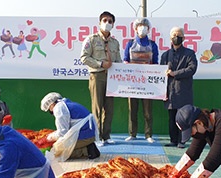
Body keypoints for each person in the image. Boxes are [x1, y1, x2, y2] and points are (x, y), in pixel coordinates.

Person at [80, 11, 122, 146]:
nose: (107, 23)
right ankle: (96, 136)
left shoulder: (115, 42)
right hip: (97, 75)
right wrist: (100, 64)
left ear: (113, 24)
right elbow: (84, 57)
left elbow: (118, 60)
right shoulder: (91, 39)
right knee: (97, 107)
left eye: (110, 21)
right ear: (99, 23)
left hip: (112, 77)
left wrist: (125, 70)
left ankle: (106, 135)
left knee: (109, 108)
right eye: (104, 20)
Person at [159, 27, 198, 148]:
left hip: (183, 91)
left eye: (179, 35)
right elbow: (160, 73)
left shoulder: (190, 53)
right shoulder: (165, 55)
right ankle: (173, 140)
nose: (176, 37)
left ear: (184, 38)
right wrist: (161, 92)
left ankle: (182, 141)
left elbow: (192, 69)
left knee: (184, 117)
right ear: (170, 38)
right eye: (174, 35)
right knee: (171, 118)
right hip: (170, 92)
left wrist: (174, 74)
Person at [123, 17, 159, 144]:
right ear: (135, 28)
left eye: (145, 26)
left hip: (147, 83)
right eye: (140, 25)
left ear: (148, 29)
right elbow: (125, 60)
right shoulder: (130, 44)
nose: (142, 28)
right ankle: (132, 134)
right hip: (132, 82)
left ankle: (148, 134)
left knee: (148, 110)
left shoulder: (152, 44)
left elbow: (156, 63)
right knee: (132, 109)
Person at [40, 92, 100, 160]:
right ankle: (87, 146)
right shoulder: (66, 103)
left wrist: (49, 137)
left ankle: (86, 150)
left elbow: (62, 133)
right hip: (91, 134)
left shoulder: (59, 109)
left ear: (51, 105)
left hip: (85, 136)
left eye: (49, 110)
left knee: (57, 150)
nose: (51, 112)